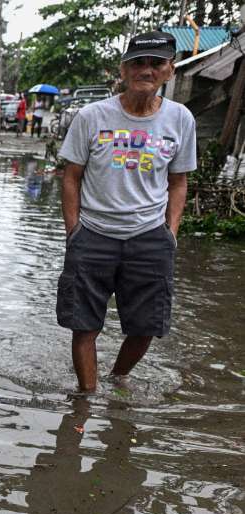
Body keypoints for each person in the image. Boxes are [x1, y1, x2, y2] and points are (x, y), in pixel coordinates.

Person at [56, 31, 196, 394]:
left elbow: (178, 182)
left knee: (146, 326)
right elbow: (71, 177)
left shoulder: (180, 120)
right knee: (84, 325)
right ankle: (86, 398)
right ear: (124, 69)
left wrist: (170, 232)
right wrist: (74, 231)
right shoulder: (91, 116)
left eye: (155, 63)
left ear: (170, 70)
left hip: (149, 237)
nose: (145, 70)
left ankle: (117, 378)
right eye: (138, 63)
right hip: (94, 234)